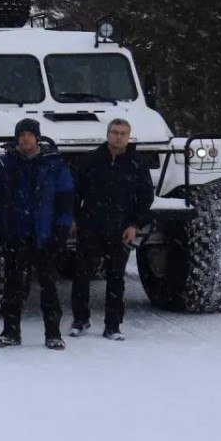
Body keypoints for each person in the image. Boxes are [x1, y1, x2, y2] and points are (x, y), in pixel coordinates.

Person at [0, 118, 74, 351]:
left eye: (30, 134)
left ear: (37, 137)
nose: (25, 139)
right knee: (13, 285)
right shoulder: (4, 164)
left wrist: (62, 228)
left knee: (49, 286)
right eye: (22, 135)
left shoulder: (54, 163)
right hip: (15, 234)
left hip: (44, 235)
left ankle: (53, 333)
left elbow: (66, 199)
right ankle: (10, 331)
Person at [70, 119, 154, 341]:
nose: (118, 136)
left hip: (120, 228)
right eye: (115, 132)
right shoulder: (90, 160)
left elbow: (145, 198)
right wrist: (74, 218)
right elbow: (75, 192)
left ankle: (113, 325)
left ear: (129, 136)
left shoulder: (137, 163)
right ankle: (80, 320)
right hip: (90, 225)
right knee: (81, 276)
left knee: (116, 278)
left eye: (123, 133)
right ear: (107, 134)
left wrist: (134, 225)